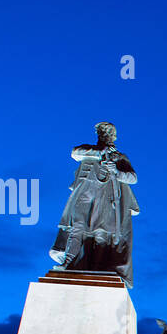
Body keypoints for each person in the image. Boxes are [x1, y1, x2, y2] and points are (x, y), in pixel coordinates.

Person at [48, 121, 139, 287]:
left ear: (114, 137)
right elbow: (75, 153)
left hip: (105, 197)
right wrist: (99, 152)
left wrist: (117, 172)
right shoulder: (89, 150)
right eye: (103, 133)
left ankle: (99, 267)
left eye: (109, 133)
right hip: (84, 191)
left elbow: (133, 178)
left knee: (100, 232)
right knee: (77, 226)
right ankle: (68, 264)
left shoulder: (119, 157)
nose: (107, 136)